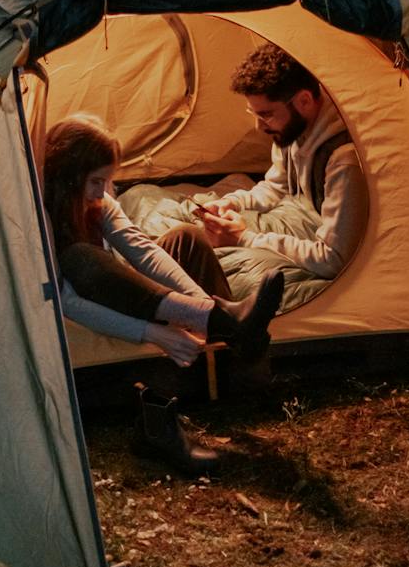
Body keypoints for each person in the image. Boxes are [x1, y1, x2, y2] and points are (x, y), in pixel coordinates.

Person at [42, 115, 283, 473]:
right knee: (81, 257)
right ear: (68, 175)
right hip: (84, 311)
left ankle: (230, 344)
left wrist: (199, 307)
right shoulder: (40, 213)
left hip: (126, 294)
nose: (103, 191)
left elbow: (142, 249)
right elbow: (68, 300)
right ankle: (161, 419)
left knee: (187, 237)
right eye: (96, 181)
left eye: (108, 180)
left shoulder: (98, 202)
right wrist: (155, 333)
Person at [194, 44, 366, 280]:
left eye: (265, 114)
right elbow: (276, 186)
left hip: (329, 253)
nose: (259, 127)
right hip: (302, 219)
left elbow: (333, 259)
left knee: (221, 267)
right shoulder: (292, 127)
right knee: (192, 226)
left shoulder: (344, 160)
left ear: (304, 101)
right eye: (254, 114)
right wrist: (232, 203)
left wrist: (246, 239)